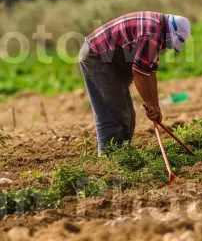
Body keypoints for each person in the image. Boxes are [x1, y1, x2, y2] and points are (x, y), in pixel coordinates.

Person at [79, 11, 191, 155]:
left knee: (128, 116)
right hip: (97, 57)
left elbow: (150, 73)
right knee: (112, 114)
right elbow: (139, 73)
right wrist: (150, 104)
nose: (167, 46)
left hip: (111, 62)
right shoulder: (152, 33)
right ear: (170, 32)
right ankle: (108, 162)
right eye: (170, 42)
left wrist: (156, 107)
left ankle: (122, 156)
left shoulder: (156, 30)